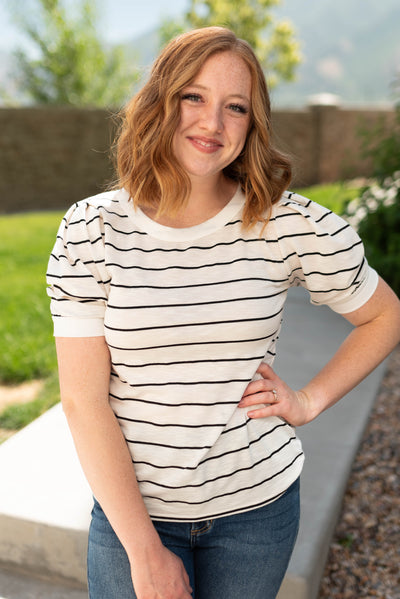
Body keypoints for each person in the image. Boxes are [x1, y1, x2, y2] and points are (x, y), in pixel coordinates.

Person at [46, 26, 400, 599]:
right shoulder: (93, 229)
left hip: (256, 513)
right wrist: (144, 550)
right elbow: (82, 401)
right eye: (194, 97)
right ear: (162, 101)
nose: (212, 123)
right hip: (133, 516)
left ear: (252, 124)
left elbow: (386, 316)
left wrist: (308, 401)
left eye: (235, 107)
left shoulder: (289, 224)